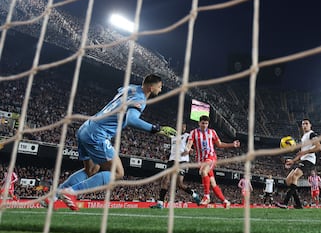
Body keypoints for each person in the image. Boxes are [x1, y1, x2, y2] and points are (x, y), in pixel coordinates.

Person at [42, 74, 164, 211]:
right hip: (98, 134)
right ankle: (71, 192)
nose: (160, 90)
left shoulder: (131, 88)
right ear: (151, 87)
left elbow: (120, 91)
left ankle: (53, 197)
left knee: (92, 170)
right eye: (159, 87)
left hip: (86, 128)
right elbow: (131, 120)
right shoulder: (140, 99)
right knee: (118, 172)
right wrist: (153, 128)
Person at [184, 115, 240, 209]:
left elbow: (219, 144)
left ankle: (206, 196)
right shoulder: (193, 133)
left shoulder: (212, 132)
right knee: (213, 183)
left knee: (203, 172)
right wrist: (187, 149)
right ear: (199, 123)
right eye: (203, 123)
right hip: (200, 160)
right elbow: (189, 143)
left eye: (206, 123)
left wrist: (232, 144)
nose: (204, 125)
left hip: (211, 157)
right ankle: (225, 201)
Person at [151, 123, 201, 209]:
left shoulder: (187, 136)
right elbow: (173, 148)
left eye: (183, 126)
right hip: (172, 160)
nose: (182, 128)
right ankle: (160, 203)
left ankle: (194, 194)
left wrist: (190, 150)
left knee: (179, 184)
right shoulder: (173, 136)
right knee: (165, 179)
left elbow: (193, 144)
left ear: (185, 128)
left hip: (182, 161)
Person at [276, 118, 321, 209]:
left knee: (295, 176)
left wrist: (306, 152)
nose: (304, 125)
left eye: (306, 123)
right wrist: (293, 161)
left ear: (310, 125)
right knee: (288, 180)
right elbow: (301, 153)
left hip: (309, 160)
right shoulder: (303, 137)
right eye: (303, 124)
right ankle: (298, 205)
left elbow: (319, 147)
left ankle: (285, 202)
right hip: (303, 160)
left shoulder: (312, 134)